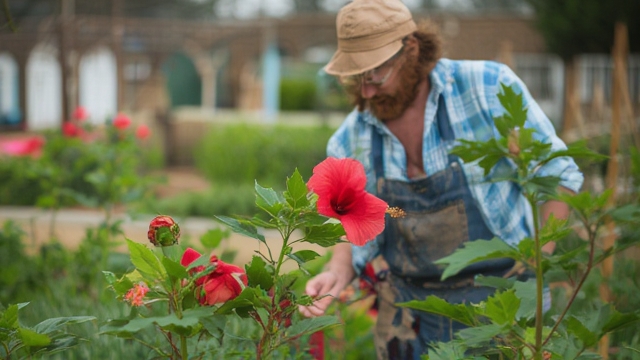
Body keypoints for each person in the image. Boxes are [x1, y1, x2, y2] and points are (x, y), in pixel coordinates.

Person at [298, 0, 584, 359]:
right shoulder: (350, 138)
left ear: (411, 51)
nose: (367, 91)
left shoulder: (486, 88)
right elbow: (355, 221)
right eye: (357, 78)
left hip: (501, 306)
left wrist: (540, 261)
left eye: (376, 75)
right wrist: (337, 271)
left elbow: (559, 174)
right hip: (411, 317)